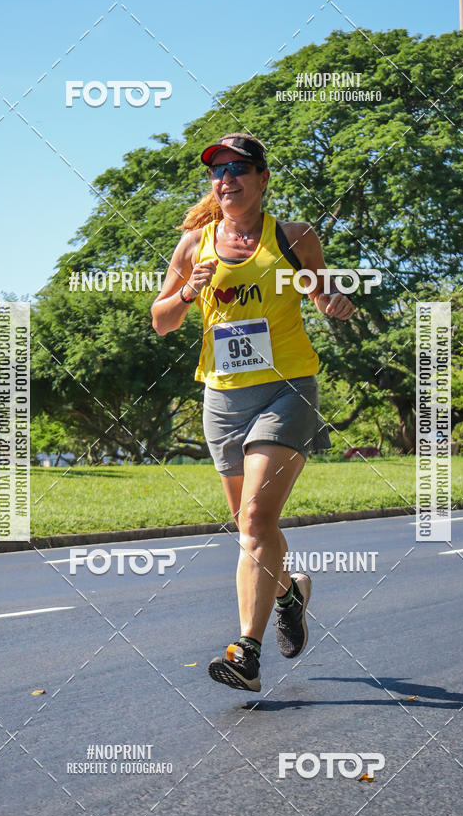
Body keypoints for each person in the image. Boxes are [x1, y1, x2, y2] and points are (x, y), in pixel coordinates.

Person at [151, 133, 354, 692]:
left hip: (287, 389)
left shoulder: (294, 238)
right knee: (249, 529)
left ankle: (246, 650)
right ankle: (290, 591)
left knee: (258, 521)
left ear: (263, 179)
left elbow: (320, 293)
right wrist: (190, 292)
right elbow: (161, 320)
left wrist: (333, 301)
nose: (228, 178)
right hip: (222, 399)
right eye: (219, 171)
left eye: (241, 168)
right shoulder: (195, 245)